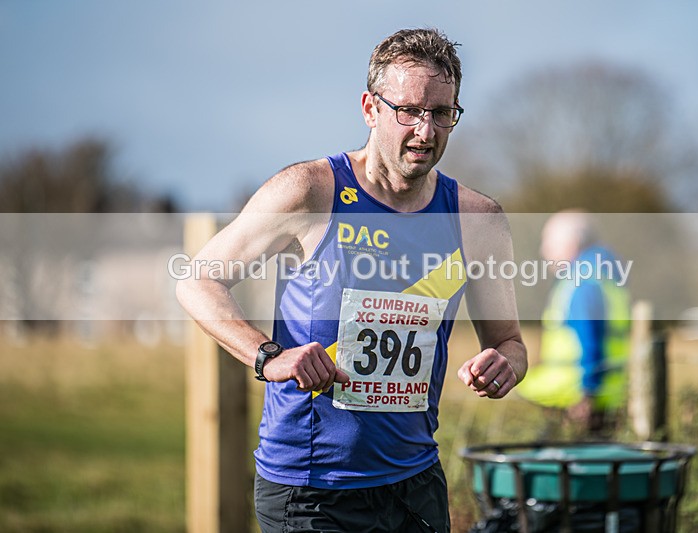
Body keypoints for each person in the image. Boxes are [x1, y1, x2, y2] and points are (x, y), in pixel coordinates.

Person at [176, 28, 527, 533]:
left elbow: (511, 343)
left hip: (415, 482)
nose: (425, 131)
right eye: (408, 110)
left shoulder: (477, 218)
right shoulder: (309, 192)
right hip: (311, 487)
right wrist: (269, 356)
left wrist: (505, 366)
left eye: (441, 113)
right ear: (370, 108)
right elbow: (197, 282)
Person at [516, 210, 631, 436]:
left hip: (576, 394)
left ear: (573, 242)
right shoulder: (603, 277)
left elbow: (591, 340)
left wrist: (587, 391)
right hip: (606, 392)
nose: (544, 251)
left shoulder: (582, 283)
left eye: (549, 241)